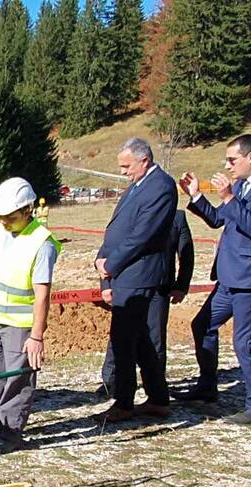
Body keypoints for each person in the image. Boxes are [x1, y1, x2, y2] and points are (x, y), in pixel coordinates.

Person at [0, 177, 60, 453]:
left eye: (11, 216)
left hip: (21, 325)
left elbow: (42, 294)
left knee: (16, 379)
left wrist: (36, 337)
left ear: (28, 210)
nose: (4, 221)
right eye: (1, 216)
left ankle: (11, 433)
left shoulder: (42, 243)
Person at [93, 138, 177, 423]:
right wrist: (102, 257)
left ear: (145, 160)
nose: (124, 172)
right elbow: (117, 228)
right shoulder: (138, 185)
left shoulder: (161, 187)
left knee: (124, 340)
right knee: (140, 340)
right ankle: (158, 398)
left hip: (138, 273)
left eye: (127, 166)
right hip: (124, 272)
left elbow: (142, 235)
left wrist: (112, 264)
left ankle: (124, 402)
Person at [176, 134, 251, 424]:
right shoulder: (243, 186)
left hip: (246, 282)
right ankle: (207, 386)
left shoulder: (239, 191)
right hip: (228, 279)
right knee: (202, 325)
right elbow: (220, 218)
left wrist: (230, 197)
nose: (228, 166)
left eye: (233, 160)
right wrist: (196, 195)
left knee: (244, 343)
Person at [98, 209, 194, 396]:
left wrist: (181, 285)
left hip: (160, 289)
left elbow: (186, 252)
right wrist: (105, 285)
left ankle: (155, 388)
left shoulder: (178, 217)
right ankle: (110, 381)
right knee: (120, 334)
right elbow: (107, 248)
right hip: (128, 286)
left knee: (156, 339)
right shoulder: (132, 212)